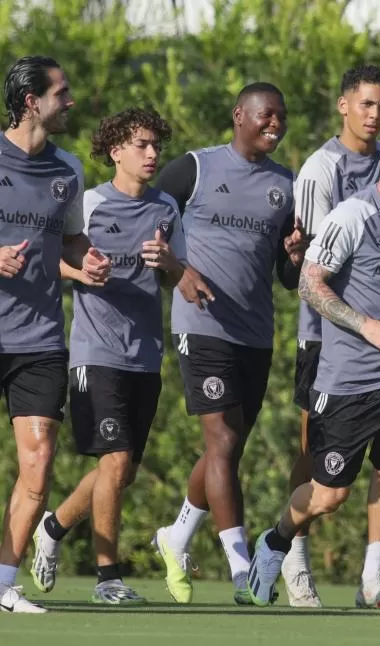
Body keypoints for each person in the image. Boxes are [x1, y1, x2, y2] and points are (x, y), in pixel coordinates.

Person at [247, 120, 380, 621]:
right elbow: (310, 286)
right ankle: (274, 541)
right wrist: (367, 326)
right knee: (329, 495)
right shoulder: (352, 216)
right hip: (348, 384)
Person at [150, 82, 307, 604]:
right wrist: (177, 270)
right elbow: (141, 221)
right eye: (266, 116)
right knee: (221, 442)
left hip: (255, 334)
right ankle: (243, 568)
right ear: (240, 114)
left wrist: (294, 254)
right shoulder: (194, 169)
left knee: (229, 445)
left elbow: (287, 276)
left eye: (282, 118)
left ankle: (177, 537)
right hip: (201, 325)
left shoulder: (286, 185)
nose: (275, 126)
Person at [30, 108, 186, 605]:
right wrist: (78, 275)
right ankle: (107, 579)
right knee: (115, 463)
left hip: (146, 357)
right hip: (95, 354)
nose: (152, 154)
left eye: (156, 146)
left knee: (122, 472)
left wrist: (169, 265)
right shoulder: (90, 204)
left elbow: (181, 277)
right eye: (141, 145)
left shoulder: (166, 209)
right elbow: (41, 258)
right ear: (116, 151)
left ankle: (52, 528)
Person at [287, 64, 380, 610]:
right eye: (365, 104)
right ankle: (291, 553)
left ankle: (373, 571)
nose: (374, 115)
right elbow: (315, 267)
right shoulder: (322, 169)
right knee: (318, 459)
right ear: (343, 105)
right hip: (327, 337)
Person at [0, 55, 110, 614]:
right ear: (30, 102)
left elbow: (70, 242)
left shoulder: (68, 169)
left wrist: (87, 260)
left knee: (39, 463)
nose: (70, 102)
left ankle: (2, 584)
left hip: (40, 338)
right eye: (61, 93)